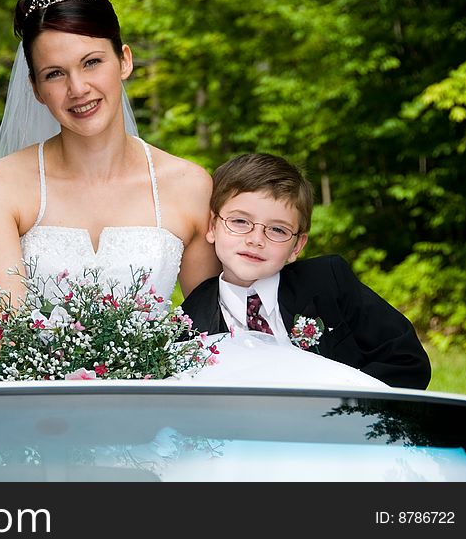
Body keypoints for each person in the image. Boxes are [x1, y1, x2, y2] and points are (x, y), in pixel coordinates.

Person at [0, 0, 220, 311]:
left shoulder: (190, 187)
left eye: (92, 62)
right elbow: (6, 332)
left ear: (124, 60)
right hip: (35, 365)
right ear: (36, 90)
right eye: (54, 73)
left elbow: (209, 331)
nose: (78, 88)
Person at [180, 152, 432, 390]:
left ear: (296, 246)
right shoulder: (191, 319)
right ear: (213, 226)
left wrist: (346, 405)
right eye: (240, 221)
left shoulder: (327, 282)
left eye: (277, 230)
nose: (256, 239)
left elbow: (407, 360)